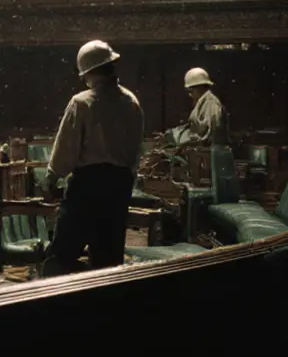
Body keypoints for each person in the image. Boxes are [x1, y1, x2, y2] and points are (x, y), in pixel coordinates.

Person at [42, 40, 144, 276]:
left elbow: (66, 148)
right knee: (107, 263)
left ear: (87, 72)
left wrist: (51, 178)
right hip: (119, 186)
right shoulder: (132, 102)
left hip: (88, 185)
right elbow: (135, 149)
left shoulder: (82, 102)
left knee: (60, 257)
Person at [163, 67, 230, 146]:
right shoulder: (203, 103)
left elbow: (209, 134)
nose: (190, 95)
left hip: (210, 149)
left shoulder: (211, 104)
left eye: (191, 91)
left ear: (200, 87)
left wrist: (187, 140)